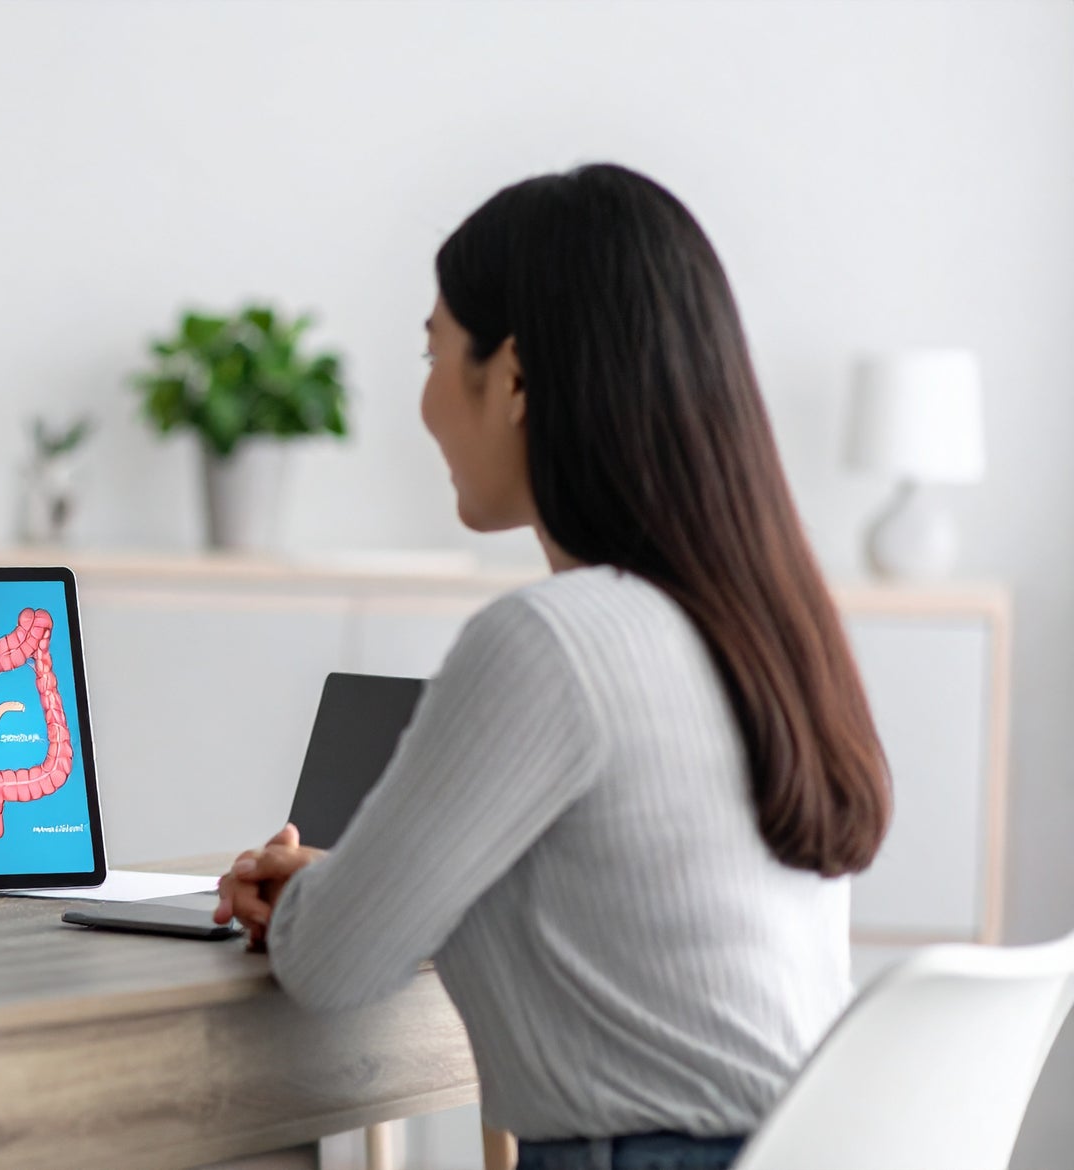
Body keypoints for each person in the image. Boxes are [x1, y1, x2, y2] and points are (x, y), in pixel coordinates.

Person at [215, 164, 890, 1169]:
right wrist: (361, 885)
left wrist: (313, 902)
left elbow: (328, 965)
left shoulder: (549, 641)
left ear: (515, 380)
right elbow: (623, 923)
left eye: (433, 353)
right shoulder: (764, 627)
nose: (424, 404)